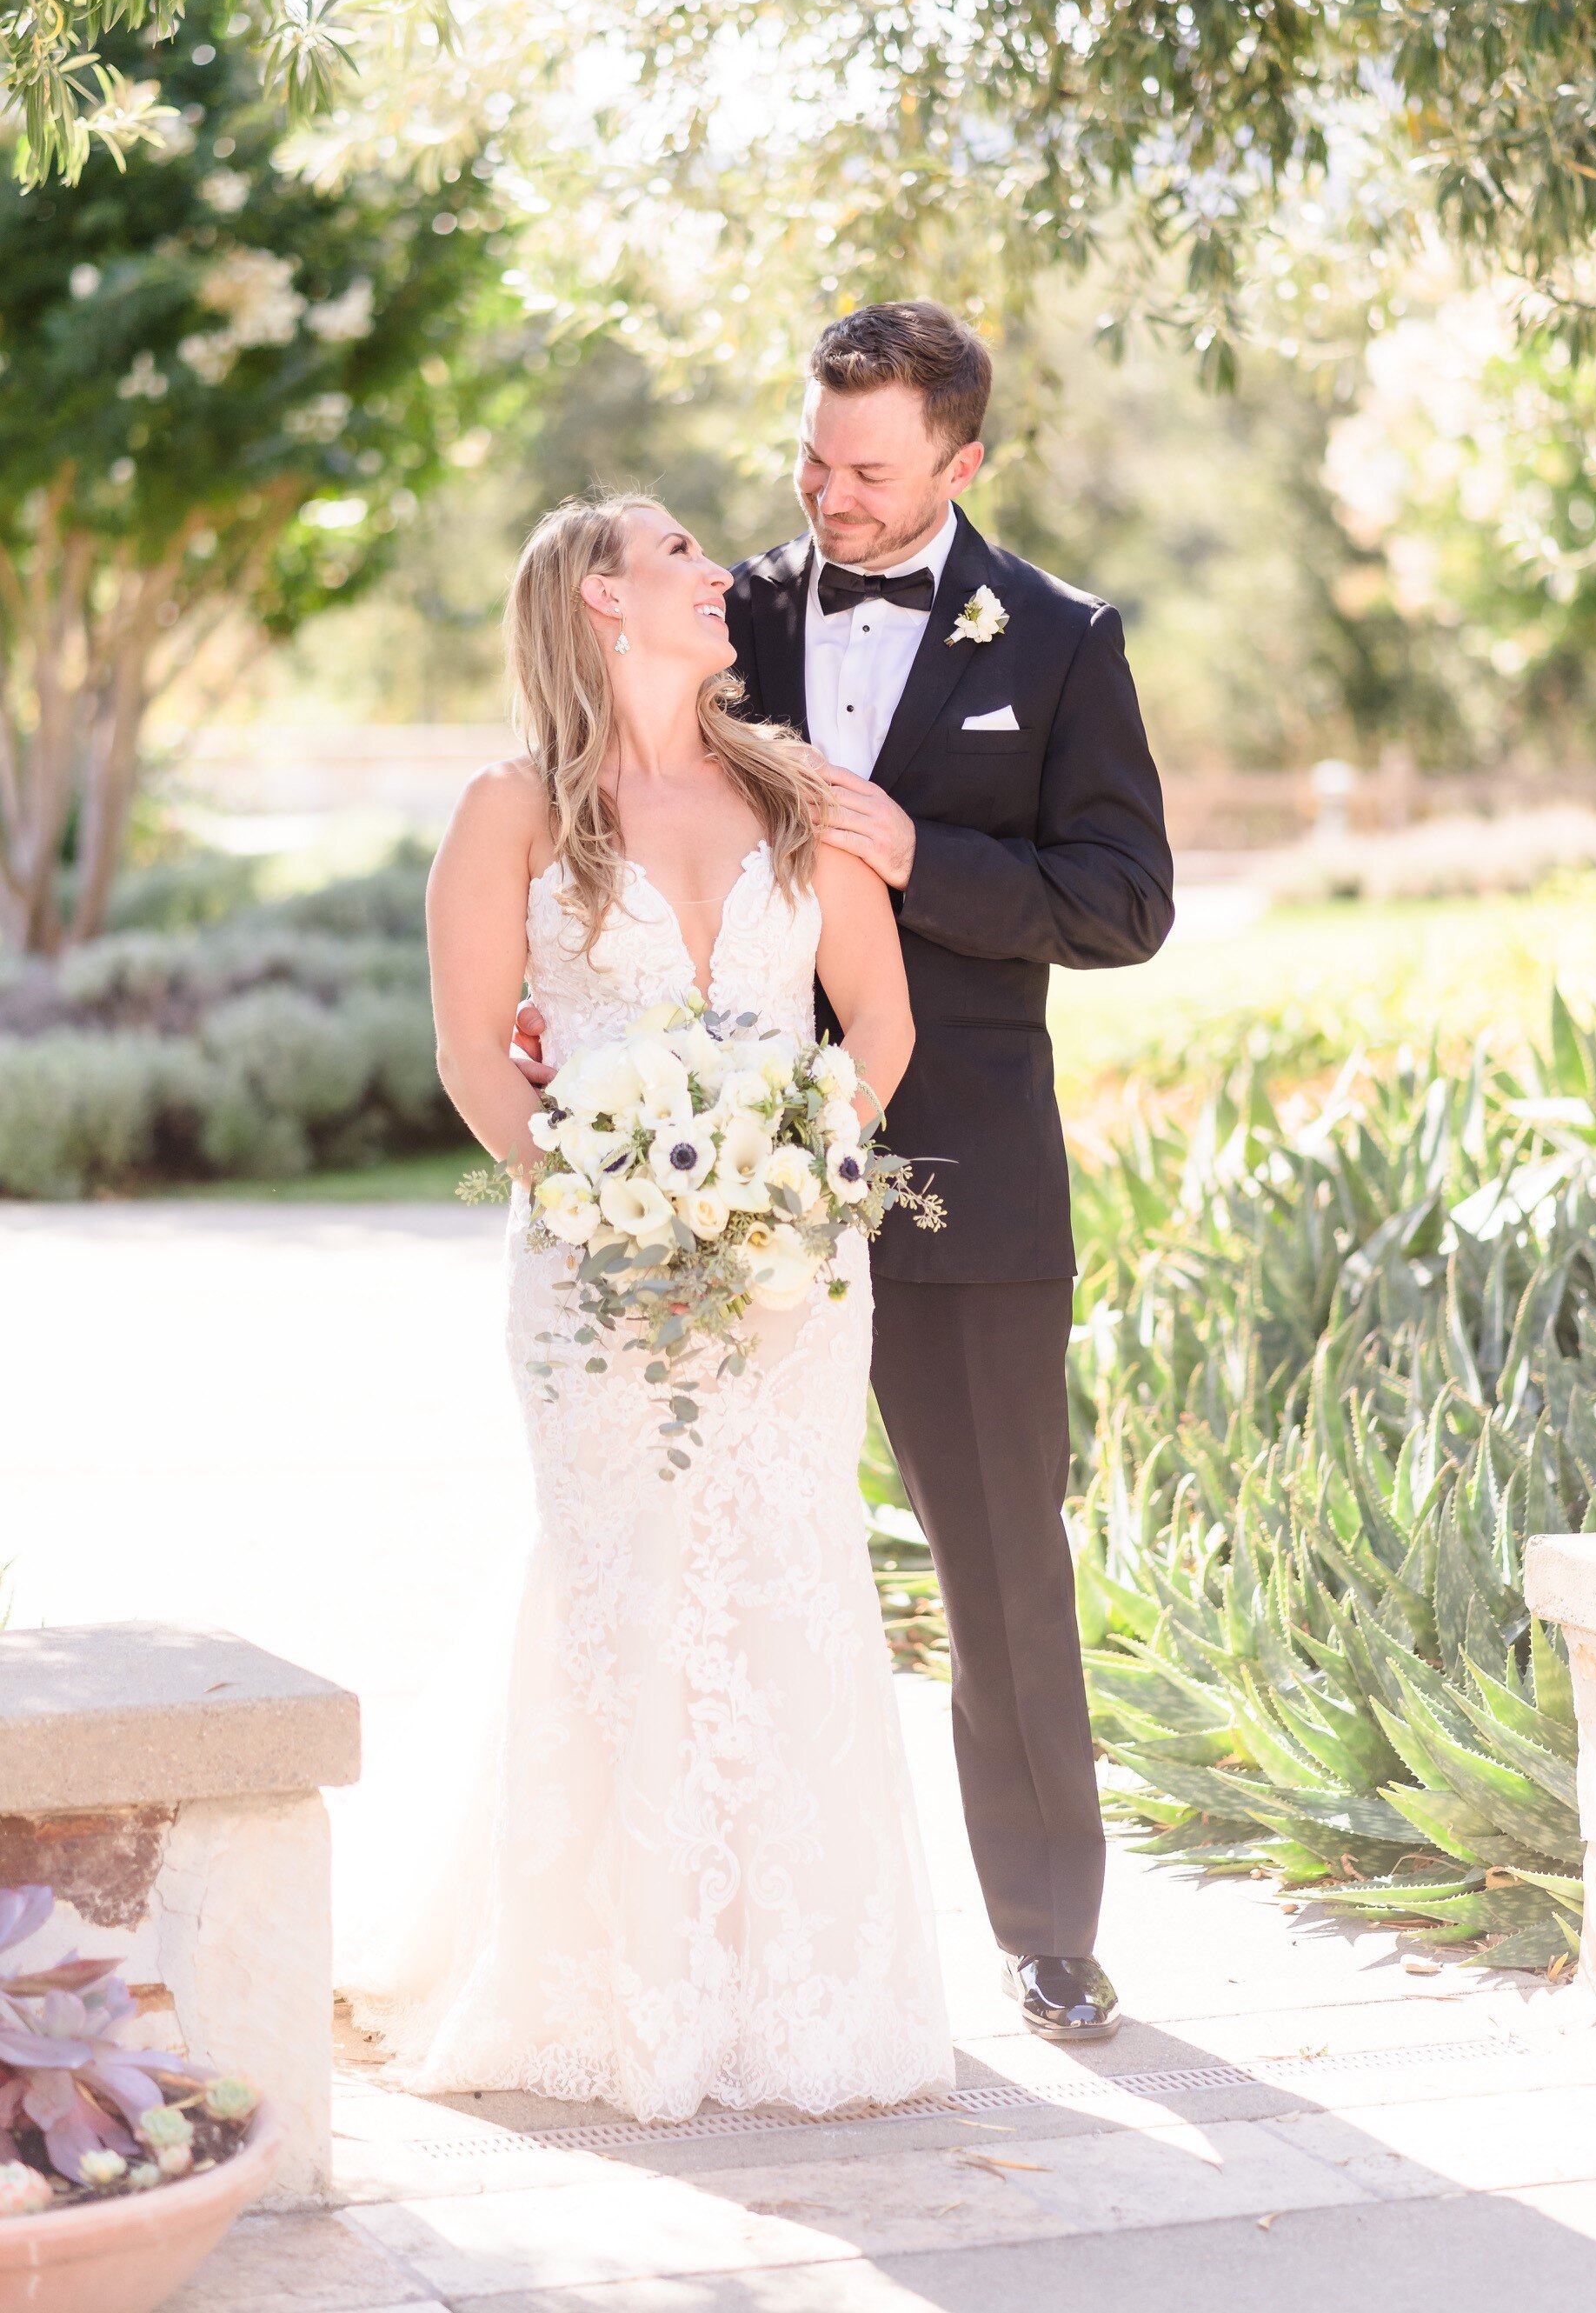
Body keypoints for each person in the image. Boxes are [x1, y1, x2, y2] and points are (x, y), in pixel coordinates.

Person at [515, 303, 1174, 2043]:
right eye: (812, 457)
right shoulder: (725, 609)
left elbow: (1124, 904)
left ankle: (1048, 1931)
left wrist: (920, 852)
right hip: (698, 1202)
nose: (829, 497)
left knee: (999, 1572)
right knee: (704, 1555)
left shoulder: (1058, 644)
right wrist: (569, 1036)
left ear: (962, 462)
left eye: (870, 471)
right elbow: (591, 807)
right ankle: (681, 1943)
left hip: (958, 1183)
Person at [346, 493, 953, 2121]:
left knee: (782, 1569)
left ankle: (798, 1984)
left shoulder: (795, 794)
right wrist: (590, 1189)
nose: (720, 572)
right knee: (625, 1572)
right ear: (603, 601)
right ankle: (609, 1984)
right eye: (683, 551)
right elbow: (476, 1050)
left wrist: (796, 1168)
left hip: (791, 1269)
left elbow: (875, 1026)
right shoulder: (513, 810)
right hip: (596, 1267)